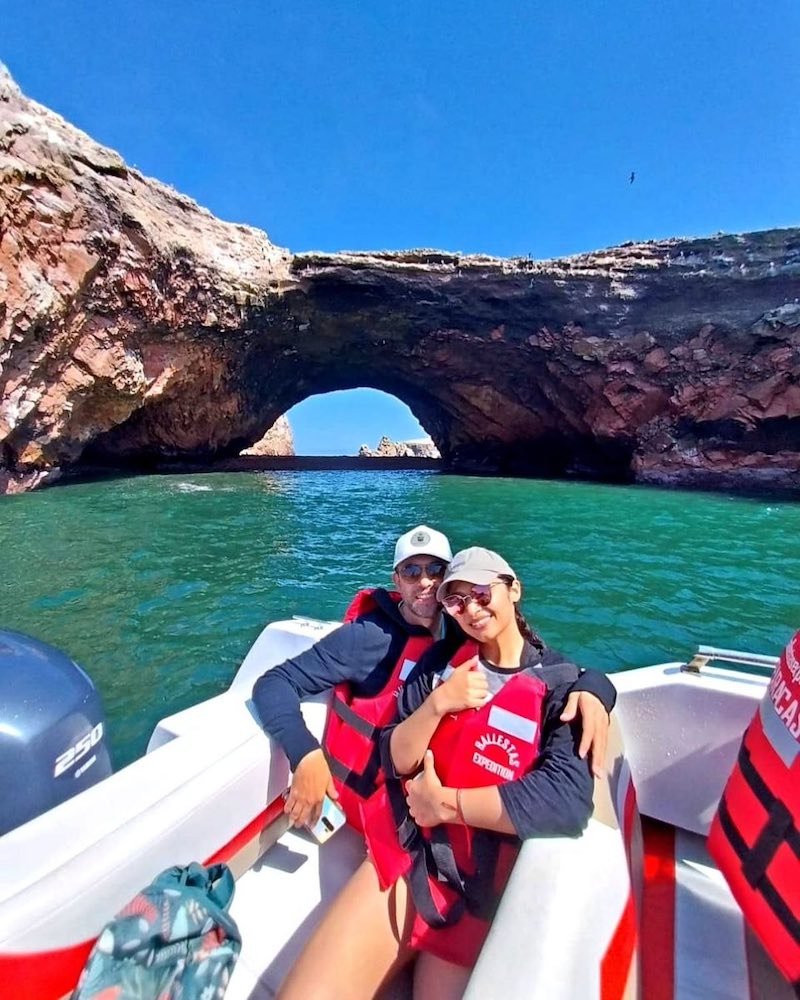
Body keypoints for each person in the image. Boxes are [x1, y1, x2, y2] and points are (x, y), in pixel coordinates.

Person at [277, 547, 597, 1000]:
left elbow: (566, 802)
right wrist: (438, 704)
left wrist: (445, 804)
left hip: (478, 896)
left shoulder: (561, 688)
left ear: (514, 589)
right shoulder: (440, 664)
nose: (472, 608)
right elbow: (392, 754)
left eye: (482, 592)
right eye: (457, 600)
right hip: (409, 862)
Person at [252, 528, 614, 831]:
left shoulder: (460, 633)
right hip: (367, 809)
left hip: (421, 807)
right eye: (411, 572)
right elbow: (273, 684)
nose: (424, 582)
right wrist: (305, 754)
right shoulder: (367, 638)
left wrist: (595, 686)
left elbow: (537, 665)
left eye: (435, 571)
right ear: (396, 580)